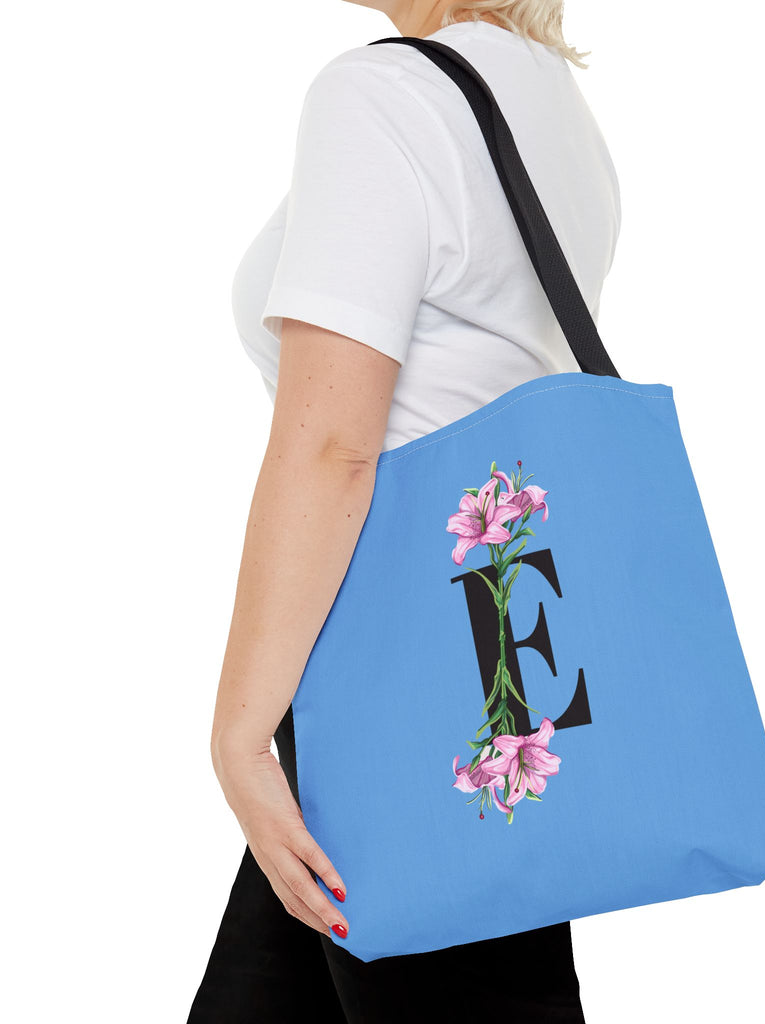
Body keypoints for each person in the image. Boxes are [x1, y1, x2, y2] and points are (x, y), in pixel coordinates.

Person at [187, 2, 620, 1020]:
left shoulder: (382, 94)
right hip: (495, 655)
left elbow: (332, 448)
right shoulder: (543, 95)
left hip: (398, 685)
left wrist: (240, 734)